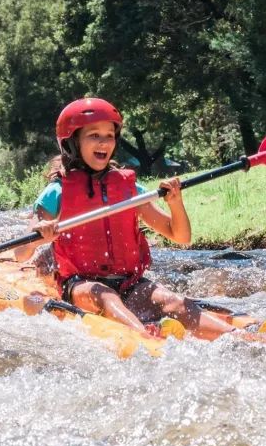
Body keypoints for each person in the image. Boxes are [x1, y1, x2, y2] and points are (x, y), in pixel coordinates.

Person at [13, 98, 239, 339]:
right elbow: (20, 254)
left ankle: (241, 337)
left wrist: (175, 204)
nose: (104, 142)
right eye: (94, 135)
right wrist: (41, 235)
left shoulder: (130, 190)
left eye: (109, 135)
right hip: (80, 285)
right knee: (105, 295)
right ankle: (145, 338)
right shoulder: (56, 192)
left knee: (173, 301)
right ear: (72, 143)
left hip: (129, 283)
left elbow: (181, 237)